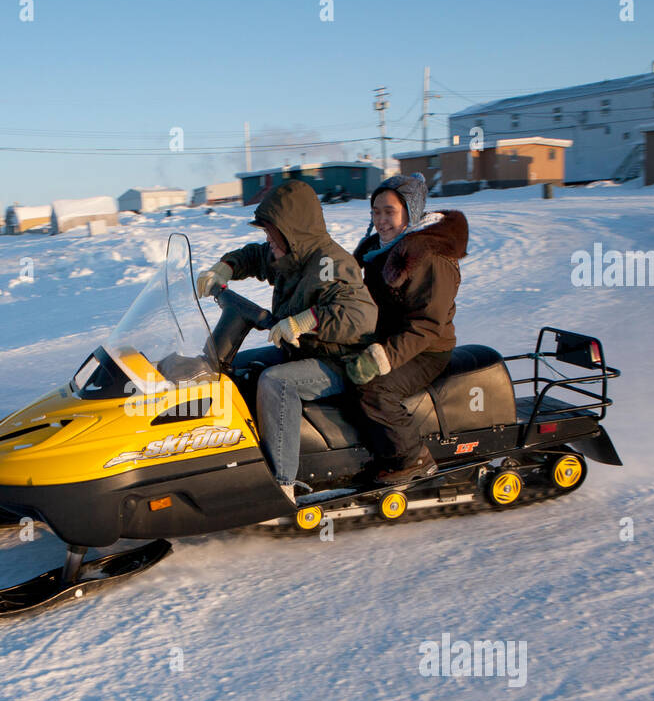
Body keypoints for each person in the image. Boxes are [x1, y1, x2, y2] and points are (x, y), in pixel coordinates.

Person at [195, 180, 376, 502]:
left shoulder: (331, 262)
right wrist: (226, 267)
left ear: (292, 230)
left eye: (272, 234)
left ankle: (281, 486)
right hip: (302, 350)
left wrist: (309, 320)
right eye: (267, 234)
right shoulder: (290, 254)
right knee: (234, 369)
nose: (268, 242)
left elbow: (360, 315)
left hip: (340, 360)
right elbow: (256, 256)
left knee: (277, 383)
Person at [344, 173, 468, 484]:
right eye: (376, 212)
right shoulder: (378, 247)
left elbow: (427, 324)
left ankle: (414, 457)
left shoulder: (429, 255)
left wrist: (381, 358)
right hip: (388, 338)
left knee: (374, 388)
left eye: (390, 212)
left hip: (426, 349)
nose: (382, 220)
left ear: (410, 212)